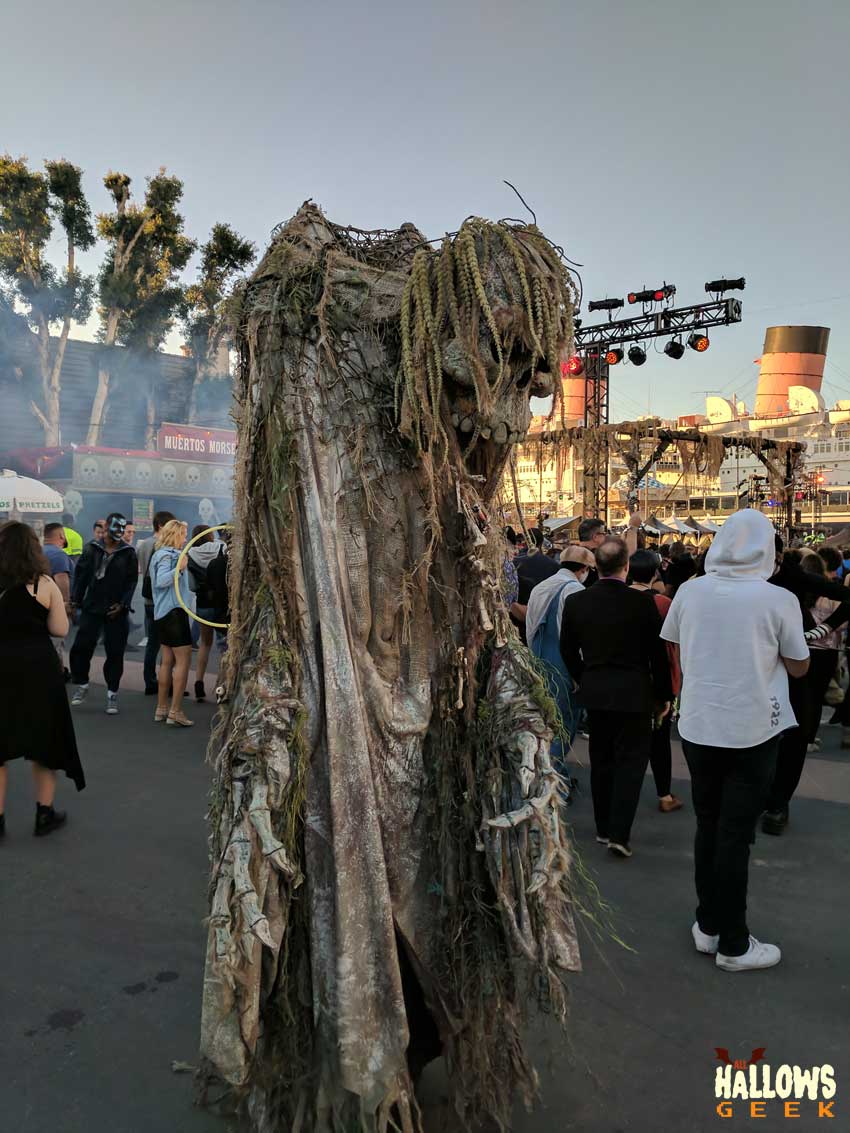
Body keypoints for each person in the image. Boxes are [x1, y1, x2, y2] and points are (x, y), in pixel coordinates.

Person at [660, 509, 809, 971]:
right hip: (752, 729)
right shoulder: (778, 599)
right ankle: (734, 943)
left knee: (709, 824)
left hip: (700, 726)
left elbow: (674, 643)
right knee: (735, 835)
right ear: (767, 550)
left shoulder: (690, 590)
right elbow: (800, 665)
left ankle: (708, 925)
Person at [560, 537, 672, 858]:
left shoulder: (578, 602)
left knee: (602, 760)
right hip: (635, 692)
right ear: (626, 567)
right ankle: (619, 833)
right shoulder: (643, 603)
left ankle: (603, 827)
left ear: (596, 566)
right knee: (631, 763)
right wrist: (664, 695)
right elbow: (657, 655)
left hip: (596, 691)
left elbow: (567, 648)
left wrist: (584, 677)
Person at [0, 522, 85, 837]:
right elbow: (61, 630)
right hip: (38, 667)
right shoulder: (44, 583)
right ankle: (44, 814)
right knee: (44, 742)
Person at [763, 534, 850, 833]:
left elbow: (842, 594)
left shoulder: (791, 575)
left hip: (797, 665)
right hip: (754, 668)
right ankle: (761, 798)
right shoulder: (728, 577)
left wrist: (821, 630)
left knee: (795, 733)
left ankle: (777, 804)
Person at [526, 545, 595, 770]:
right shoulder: (574, 590)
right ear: (584, 568)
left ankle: (543, 773)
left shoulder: (540, 588)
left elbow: (530, 628)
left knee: (542, 721)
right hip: (563, 666)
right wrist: (579, 672)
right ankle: (554, 779)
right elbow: (575, 638)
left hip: (539, 661)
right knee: (563, 724)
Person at [629, 549, 684, 814]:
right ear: (655, 573)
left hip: (626, 679)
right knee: (659, 740)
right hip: (657, 681)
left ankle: (624, 793)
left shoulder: (620, 598)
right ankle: (664, 794)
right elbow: (673, 647)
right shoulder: (664, 604)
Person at [69, 513, 138, 715]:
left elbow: (131, 581)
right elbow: (81, 577)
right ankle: (82, 684)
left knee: (115, 652)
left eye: (121, 531)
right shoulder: (92, 549)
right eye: (115, 529)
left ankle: (112, 692)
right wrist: (75, 601)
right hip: (92, 607)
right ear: (106, 526)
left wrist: (123, 604)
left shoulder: (128, 553)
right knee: (81, 647)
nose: (118, 534)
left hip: (115, 610)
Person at [150, 519, 194, 727]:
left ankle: (161, 708)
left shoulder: (158, 554)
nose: (185, 538)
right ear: (175, 535)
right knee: (183, 662)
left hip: (162, 613)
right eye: (183, 534)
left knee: (167, 661)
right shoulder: (170, 555)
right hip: (174, 613)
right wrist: (180, 566)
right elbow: (161, 580)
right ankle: (175, 710)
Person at [135, 511, 175, 695]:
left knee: (152, 643)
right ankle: (167, 683)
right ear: (160, 525)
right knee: (169, 644)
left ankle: (149, 681)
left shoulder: (142, 545)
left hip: (148, 600)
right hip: (164, 600)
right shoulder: (164, 546)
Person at [187, 525, 222, 702]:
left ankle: (198, 683)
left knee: (205, 643)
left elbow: (191, 585)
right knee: (224, 647)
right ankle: (221, 686)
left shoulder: (190, 554)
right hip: (221, 603)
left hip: (203, 603)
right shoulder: (221, 548)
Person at [43, 522, 73, 676]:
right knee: (57, 642)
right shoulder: (58, 554)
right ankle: (58, 673)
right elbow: (62, 579)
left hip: (40, 605)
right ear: (61, 535)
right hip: (54, 606)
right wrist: (66, 604)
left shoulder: (38, 551)